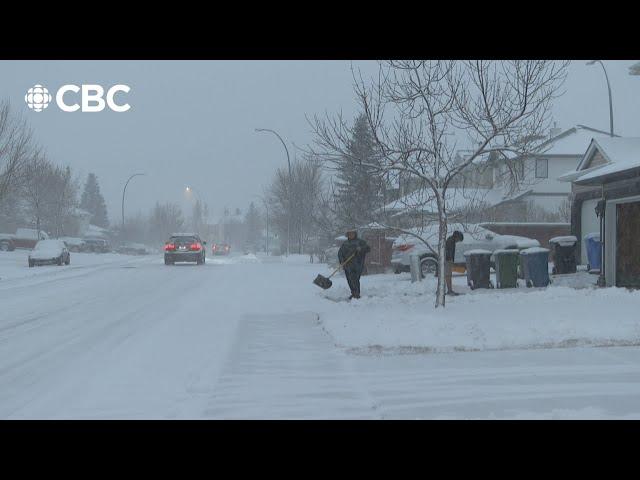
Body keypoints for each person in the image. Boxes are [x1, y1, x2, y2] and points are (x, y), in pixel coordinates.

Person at [338, 229, 371, 299]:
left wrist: (361, 249)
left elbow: (368, 249)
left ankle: (356, 294)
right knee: (349, 280)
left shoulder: (360, 242)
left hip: (357, 264)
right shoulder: (345, 244)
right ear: (347, 235)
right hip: (347, 265)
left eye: (352, 233)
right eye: (349, 234)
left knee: (354, 279)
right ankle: (353, 293)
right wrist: (342, 262)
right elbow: (340, 253)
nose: (351, 235)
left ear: (355, 234)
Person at [445, 230, 464, 296]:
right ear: (456, 237)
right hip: (447, 260)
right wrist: (450, 260)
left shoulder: (451, 240)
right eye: (459, 240)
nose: (458, 241)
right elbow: (448, 252)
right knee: (448, 275)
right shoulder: (450, 242)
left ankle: (448, 289)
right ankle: (449, 290)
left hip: (447, 260)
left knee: (447, 275)